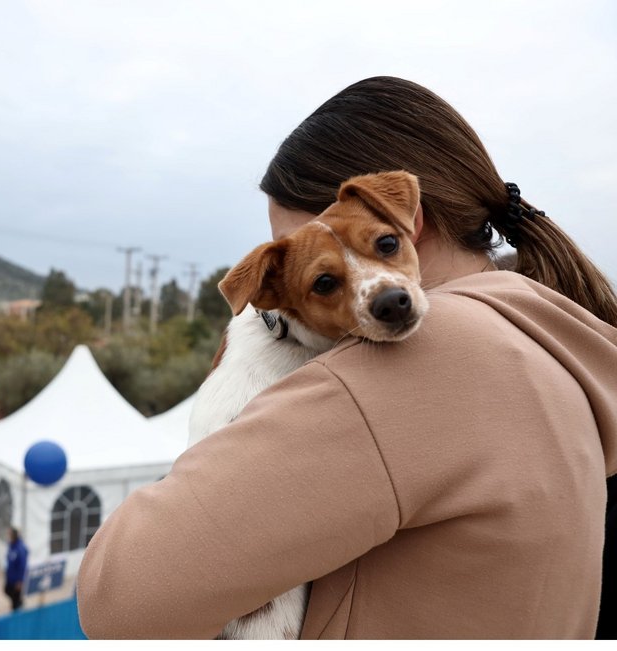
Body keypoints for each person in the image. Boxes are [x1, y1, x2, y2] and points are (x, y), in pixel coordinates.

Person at [76, 77, 617, 640]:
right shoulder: (551, 341)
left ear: (410, 219)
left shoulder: (417, 361)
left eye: (380, 245)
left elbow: (119, 597)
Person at [4, 527, 28, 611]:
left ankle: (17, 608)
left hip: (16, 580)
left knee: (15, 599)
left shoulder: (20, 549)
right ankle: (18, 602)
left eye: (9, 534)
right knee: (6, 590)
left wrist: (20, 581)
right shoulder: (11, 545)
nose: (8, 536)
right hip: (10, 577)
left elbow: (22, 566)